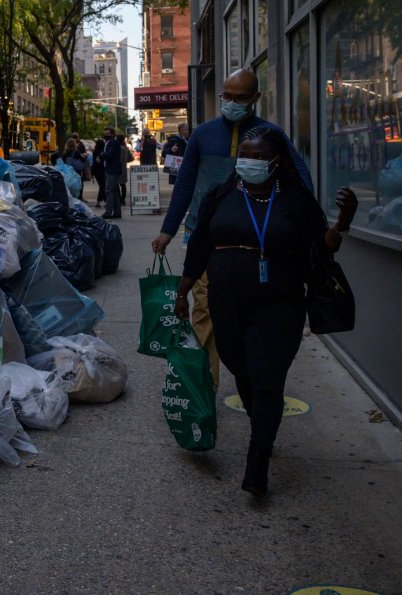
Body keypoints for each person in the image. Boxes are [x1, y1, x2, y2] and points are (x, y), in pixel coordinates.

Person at [175, 128, 357, 495]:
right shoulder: (222, 194)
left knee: (267, 380)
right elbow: (199, 247)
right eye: (244, 154)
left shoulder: (295, 200)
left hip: (280, 303)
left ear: (276, 162)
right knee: (240, 370)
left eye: (257, 156)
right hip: (226, 301)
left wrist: (343, 222)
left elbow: (320, 251)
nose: (248, 162)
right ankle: (263, 429)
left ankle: (256, 465)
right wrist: (183, 292)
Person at [152, 68, 314, 386]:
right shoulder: (202, 135)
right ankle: (204, 387)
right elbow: (185, 185)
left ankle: (253, 379)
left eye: (241, 97)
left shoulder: (271, 137)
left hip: (259, 243)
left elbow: (300, 180)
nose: (232, 102)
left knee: (249, 315)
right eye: (227, 96)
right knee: (204, 312)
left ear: (255, 98)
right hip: (208, 238)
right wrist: (167, 230)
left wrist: (304, 227)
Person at [101, 127, 123, 218]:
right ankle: (117, 212)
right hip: (110, 169)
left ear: (113, 134)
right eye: (105, 133)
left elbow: (110, 154)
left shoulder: (113, 143)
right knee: (114, 191)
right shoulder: (109, 142)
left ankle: (108, 212)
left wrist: (102, 154)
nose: (106, 135)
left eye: (108, 133)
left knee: (109, 190)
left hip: (112, 170)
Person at [91, 138, 107, 207]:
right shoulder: (103, 151)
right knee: (103, 186)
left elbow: (94, 162)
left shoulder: (95, 151)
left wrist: (92, 172)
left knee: (101, 186)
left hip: (96, 170)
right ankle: (105, 201)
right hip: (103, 170)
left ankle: (98, 202)